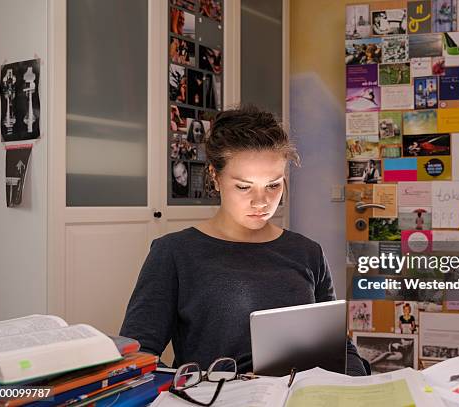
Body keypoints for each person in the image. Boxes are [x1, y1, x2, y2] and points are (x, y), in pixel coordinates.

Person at [120, 106, 367, 376]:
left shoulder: (308, 253)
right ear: (215, 177)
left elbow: (336, 347)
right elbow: (140, 357)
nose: (261, 202)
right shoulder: (174, 253)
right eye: (243, 186)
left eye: (273, 185)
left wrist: (356, 386)